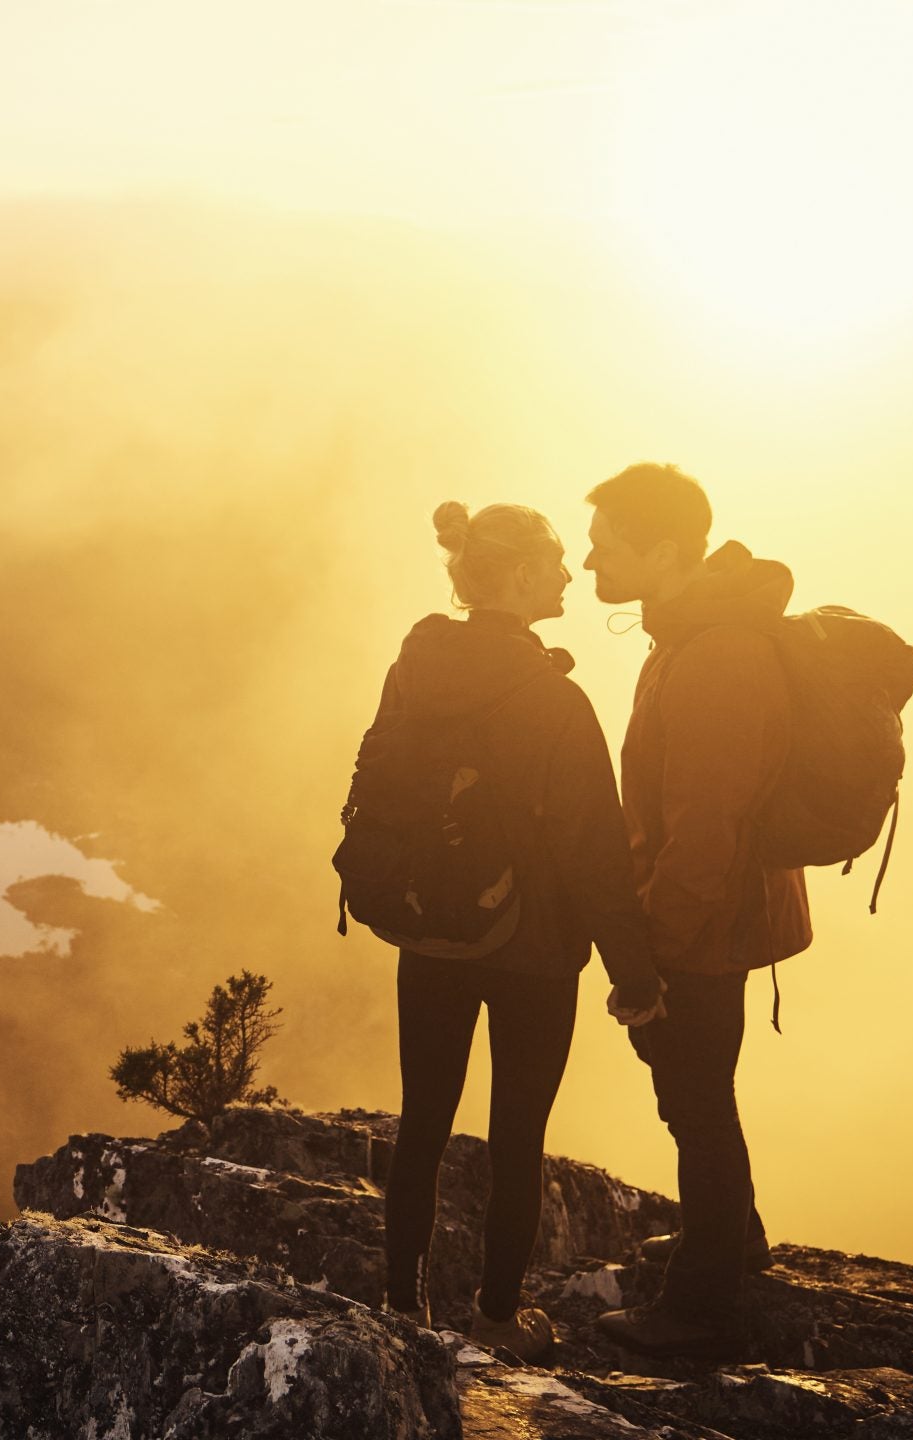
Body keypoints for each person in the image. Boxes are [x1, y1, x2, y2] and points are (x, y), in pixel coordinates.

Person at [342, 500, 664, 1363]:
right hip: (536, 953)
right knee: (518, 1135)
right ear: (518, 576)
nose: (567, 575)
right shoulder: (553, 700)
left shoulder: (413, 667)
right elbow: (597, 851)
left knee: (423, 1121)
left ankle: (401, 1304)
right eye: (556, 562)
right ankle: (494, 1313)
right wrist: (635, 977)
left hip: (429, 932)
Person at [580, 463, 811, 1358]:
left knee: (698, 1099)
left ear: (665, 551)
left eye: (607, 540)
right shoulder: (690, 636)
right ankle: (732, 1237)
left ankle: (703, 1307)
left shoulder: (717, 655)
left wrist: (654, 964)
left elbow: (705, 828)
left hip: (702, 923)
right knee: (696, 1096)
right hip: (708, 915)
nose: (592, 554)